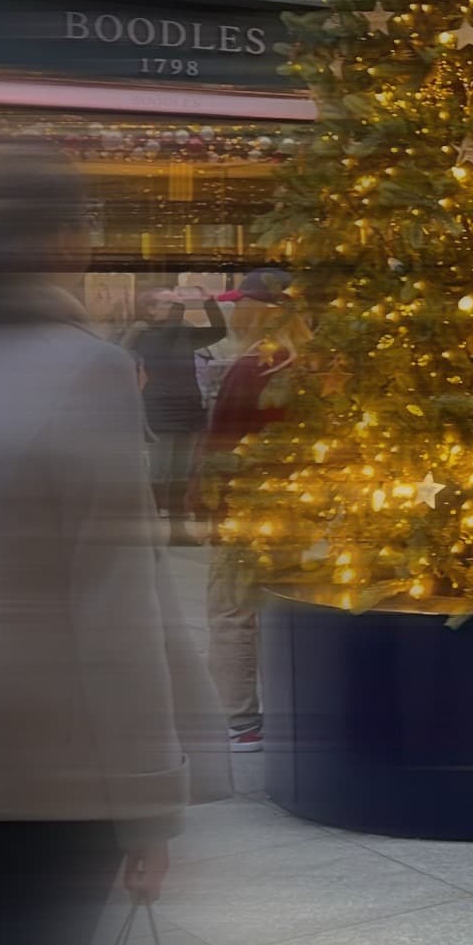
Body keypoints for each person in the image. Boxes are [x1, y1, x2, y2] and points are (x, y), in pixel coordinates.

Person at [0, 143, 189, 945]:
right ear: (66, 241)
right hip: (27, 778)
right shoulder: (82, 371)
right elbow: (117, 611)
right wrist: (149, 806)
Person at [192, 270, 307, 755]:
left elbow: (222, 443)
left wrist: (204, 502)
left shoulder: (251, 366)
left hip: (245, 506)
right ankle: (286, 709)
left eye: (241, 304)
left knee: (232, 611)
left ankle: (239, 721)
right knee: (282, 606)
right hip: (296, 506)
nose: (235, 312)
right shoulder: (311, 364)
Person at [124, 285, 227, 547]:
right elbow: (165, 337)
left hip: (188, 407)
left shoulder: (183, 332)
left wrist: (209, 303)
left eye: (174, 304)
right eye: (167, 303)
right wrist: (182, 303)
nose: (175, 307)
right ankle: (149, 529)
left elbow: (219, 332)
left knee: (181, 475)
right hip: (161, 409)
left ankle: (178, 530)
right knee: (159, 474)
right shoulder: (146, 335)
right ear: (150, 310)